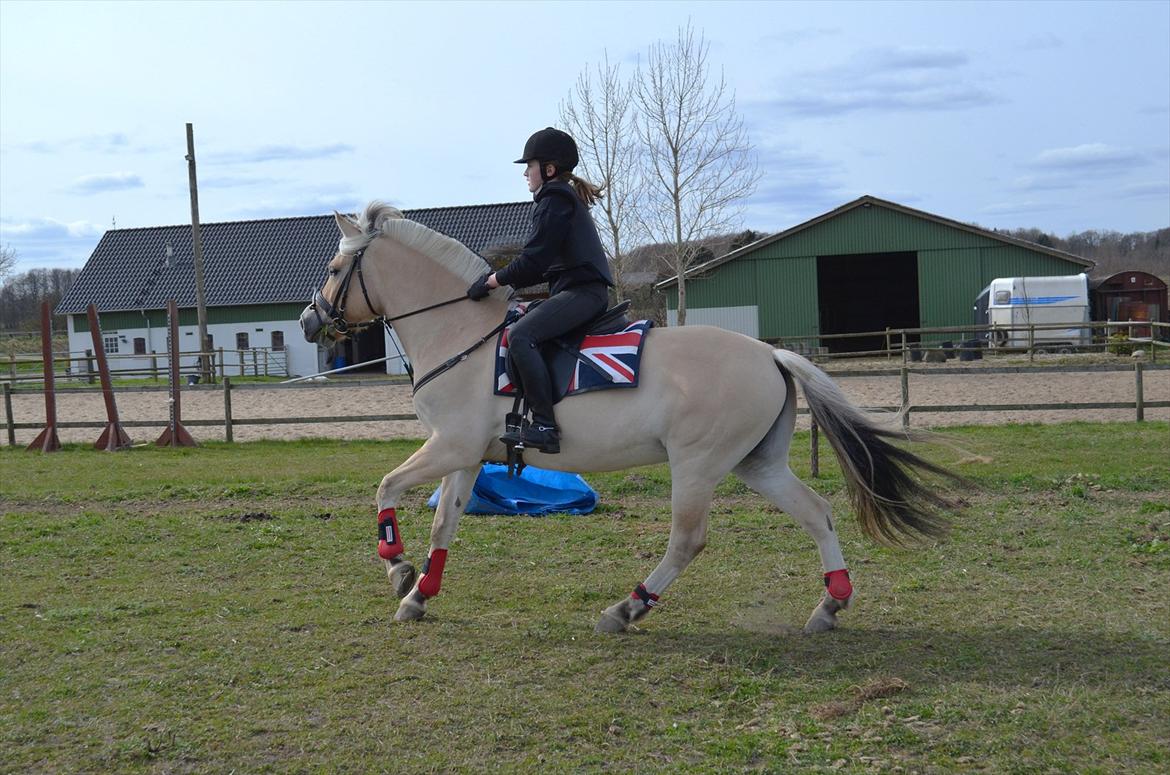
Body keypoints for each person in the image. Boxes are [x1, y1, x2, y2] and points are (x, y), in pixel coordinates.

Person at [466, 127, 614, 453]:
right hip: (574, 290)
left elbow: (533, 261)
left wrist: (492, 281)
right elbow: (543, 265)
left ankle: (546, 426)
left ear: (548, 169)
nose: (525, 173)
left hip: (583, 293)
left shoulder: (554, 199)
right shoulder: (560, 198)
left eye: (529, 165)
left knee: (520, 336)